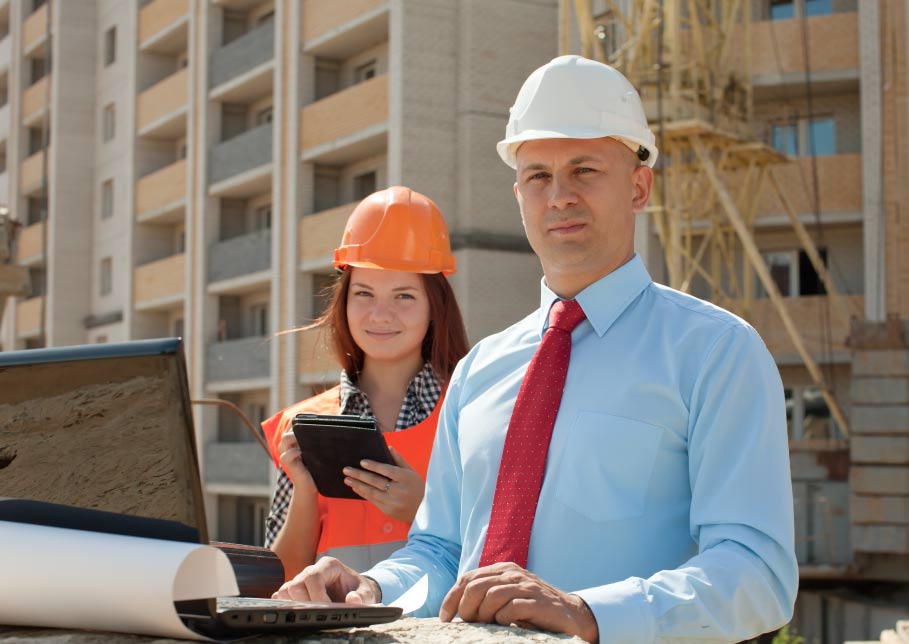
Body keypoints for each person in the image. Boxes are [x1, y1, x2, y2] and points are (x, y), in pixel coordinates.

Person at [274, 55, 797, 643]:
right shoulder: (479, 370)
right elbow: (441, 550)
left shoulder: (717, 354)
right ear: (519, 193)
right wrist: (372, 588)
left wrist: (588, 613)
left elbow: (759, 572)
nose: (559, 196)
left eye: (585, 170)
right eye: (539, 176)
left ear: (639, 186)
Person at [261, 186, 468, 581]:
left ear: (434, 308)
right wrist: (305, 490)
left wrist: (424, 509)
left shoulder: (472, 410)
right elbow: (280, 580)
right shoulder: (302, 423)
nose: (380, 314)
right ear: (344, 302)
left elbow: (507, 549)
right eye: (364, 293)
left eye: (404, 296)